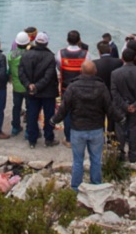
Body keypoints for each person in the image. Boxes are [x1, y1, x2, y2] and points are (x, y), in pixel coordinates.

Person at [51, 60, 118, 191]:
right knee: (96, 160)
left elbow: (64, 108)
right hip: (96, 128)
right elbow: (109, 108)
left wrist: (54, 120)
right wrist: (120, 119)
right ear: (95, 72)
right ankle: (96, 185)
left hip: (78, 129)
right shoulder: (101, 87)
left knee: (77, 161)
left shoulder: (72, 87)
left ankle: (76, 187)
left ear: (80, 71)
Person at [18, 31, 60, 148]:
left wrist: (29, 85)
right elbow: (49, 76)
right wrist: (37, 86)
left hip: (32, 92)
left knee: (32, 115)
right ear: (46, 44)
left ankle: (32, 140)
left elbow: (21, 73)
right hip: (47, 92)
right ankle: (49, 138)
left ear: (35, 42)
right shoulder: (50, 57)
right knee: (49, 116)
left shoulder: (26, 55)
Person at [111, 48, 136, 163]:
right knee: (134, 129)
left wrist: (124, 105)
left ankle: (120, 154)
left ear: (122, 58)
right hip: (135, 106)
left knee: (120, 130)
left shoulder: (115, 73)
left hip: (120, 106)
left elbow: (114, 92)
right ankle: (133, 153)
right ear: (135, 58)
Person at [57, 30, 89, 146]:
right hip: (82, 87)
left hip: (66, 87)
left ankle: (69, 139)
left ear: (67, 40)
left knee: (67, 112)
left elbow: (59, 67)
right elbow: (88, 69)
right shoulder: (85, 54)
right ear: (79, 40)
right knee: (82, 111)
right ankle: (82, 137)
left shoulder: (60, 53)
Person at [8, 31, 30, 136]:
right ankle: (28, 130)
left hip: (16, 86)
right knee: (30, 107)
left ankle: (15, 127)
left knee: (16, 107)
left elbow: (10, 71)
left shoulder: (10, 55)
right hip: (28, 85)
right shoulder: (30, 54)